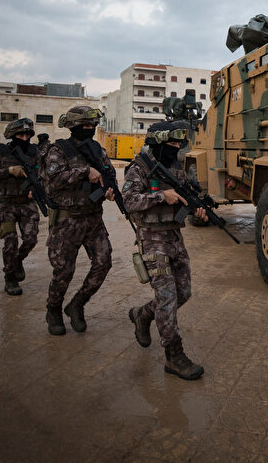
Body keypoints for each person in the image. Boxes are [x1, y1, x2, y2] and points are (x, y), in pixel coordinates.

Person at [126, 121, 208, 381]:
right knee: (166, 298)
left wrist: (198, 210)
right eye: (171, 143)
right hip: (151, 239)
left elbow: (183, 197)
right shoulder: (139, 167)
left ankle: (142, 314)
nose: (175, 148)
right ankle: (174, 356)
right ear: (157, 141)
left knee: (183, 293)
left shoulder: (174, 167)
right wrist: (162, 196)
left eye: (177, 144)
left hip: (174, 236)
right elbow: (129, 201)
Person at [40, 106, 114, 336]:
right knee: (64, 271)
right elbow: (53, 181)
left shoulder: (96, 149)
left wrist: (111, 189)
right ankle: (53, 309)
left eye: (93, 125)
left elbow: (108, 172)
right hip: (67, 220)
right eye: (85, 125)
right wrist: (84, 171)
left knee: (103, 263)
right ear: (73, 126)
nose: (90, 129)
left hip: (93, 218)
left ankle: (77, 304)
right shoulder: (58, 150)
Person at [0, 119, 40, 296]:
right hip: (6, 203)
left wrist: (35, 189)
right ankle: (10, 278)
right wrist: (8, 171)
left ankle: (18, 260)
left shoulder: (34, 152)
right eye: (20, 135)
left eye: (27, 135)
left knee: (31, 239)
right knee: (10, 242)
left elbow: (42, 175)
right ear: (12, 136)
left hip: (26, 202)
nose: (24, 138)